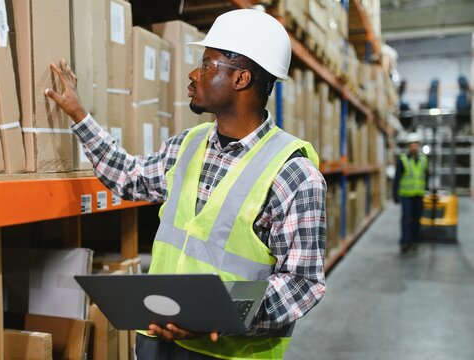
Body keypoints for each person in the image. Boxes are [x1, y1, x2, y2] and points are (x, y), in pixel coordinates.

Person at [46, 9, 326, 359]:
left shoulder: (293, 173)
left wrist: (217, 317)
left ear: (241, 79)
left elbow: (302, 282)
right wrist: (79, 116)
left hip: (225, 351)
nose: (193, 74)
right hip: (155, 341)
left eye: (207, 64)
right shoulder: (187, 145)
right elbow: (130, 177)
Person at [393, 132, 428, 254]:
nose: (414, 146)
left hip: (419, 194)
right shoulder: (402, 159)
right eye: (412, 144)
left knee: (417, 219)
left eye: (416, 144)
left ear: (418, 145)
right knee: (406, 218)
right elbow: (397, 178)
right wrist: (395, 195)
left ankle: (415, 240)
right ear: (409, 146)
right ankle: (404, 241)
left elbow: (425, 176)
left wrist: (426, 190)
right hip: (406, 194)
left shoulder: (423, 159)